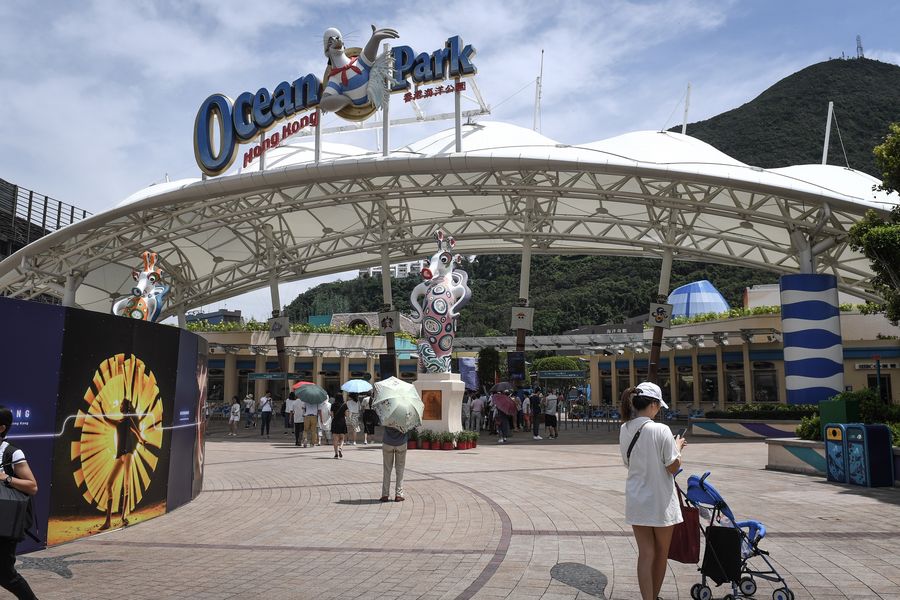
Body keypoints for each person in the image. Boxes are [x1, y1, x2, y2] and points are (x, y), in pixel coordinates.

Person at [619, 382, 687, 600]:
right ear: (654, 405)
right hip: (660, 501)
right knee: (660, 554)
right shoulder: (661, 429)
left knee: (646, 554)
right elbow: (672, 467)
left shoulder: (624, 429)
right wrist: (677, 448)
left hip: (637, 499)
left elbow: (628, 463)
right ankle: (654, 596)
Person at [0, 406, 39, 600]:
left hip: (4, 524)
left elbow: (32, 486)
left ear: (1, 428)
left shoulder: (12, 453)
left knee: (6, 575)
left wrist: (6, 478)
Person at [99, 398, 147, 531]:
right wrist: (101, 407)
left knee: (126, 484)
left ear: (126, 407)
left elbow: (137, 432)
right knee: (109, 484)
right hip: (119, 455)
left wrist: (142, 440)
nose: (120, 406)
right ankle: (108, 521)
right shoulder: (119, 422)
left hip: (128, 454)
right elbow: (106, 419)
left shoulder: (129, 420)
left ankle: (123, 518)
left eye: (122, 404)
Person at [380, 425, 408, 502]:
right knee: (400, 470)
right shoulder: (405, 416)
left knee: (387, 470)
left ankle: (385, 494)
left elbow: (382, 422)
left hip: (387, 442)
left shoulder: (387, 416)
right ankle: (399, 494)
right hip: (401, 442)